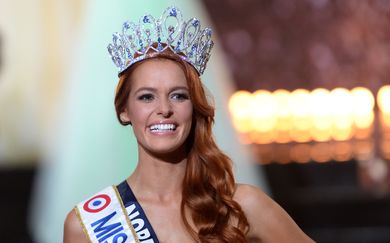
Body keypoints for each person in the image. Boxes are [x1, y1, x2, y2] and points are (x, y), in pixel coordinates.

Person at [63, 6, 314, 243]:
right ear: (124, 110)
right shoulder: (86, 225)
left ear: (194, 107)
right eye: (147, 97)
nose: (164, 109)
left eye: (178, 96)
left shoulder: (242, 205)